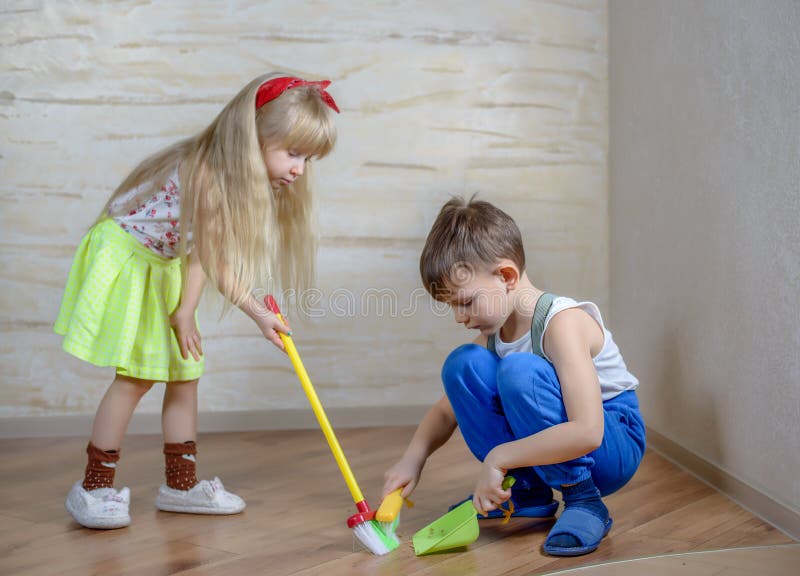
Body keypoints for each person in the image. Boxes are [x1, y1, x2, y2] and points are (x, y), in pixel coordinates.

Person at [55, 73, 339, 529]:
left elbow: (209, 258)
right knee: (135, 378)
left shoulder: (231, 180)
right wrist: (185, 311)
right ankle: (93, 488)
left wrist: (261, 316)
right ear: (254, 139)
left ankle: (181, 485)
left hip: (167, 263)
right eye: (294, 153)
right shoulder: (208, 172)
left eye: (308, 158)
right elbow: (207, 254)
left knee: (185, 376)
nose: (300, 168)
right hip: (130, 258)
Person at [383, 197, 645, 556]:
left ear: (505, 276)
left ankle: (584, 500)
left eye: (466, 302)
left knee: (520, 372)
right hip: (571, 438)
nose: (459, 317)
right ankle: (525, 491)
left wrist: (499, 457)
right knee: (463, 364)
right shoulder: (497, 334)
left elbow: (588, 431)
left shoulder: (562, 324)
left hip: (611, 443)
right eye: (452, 307)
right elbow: (446, 412)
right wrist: (412, 460)